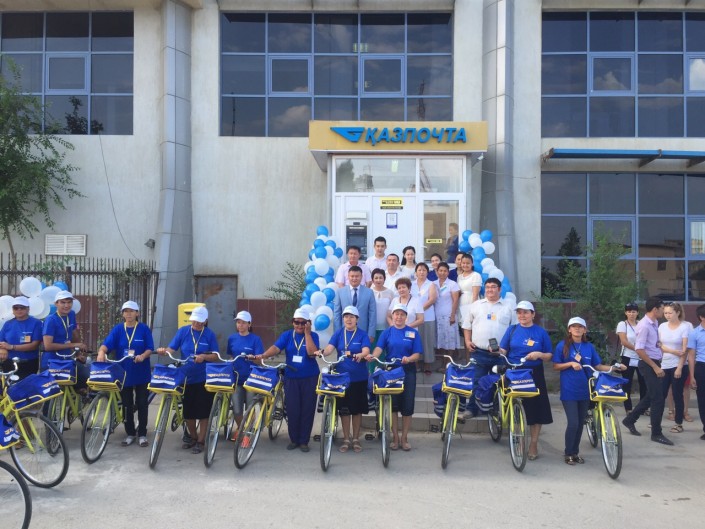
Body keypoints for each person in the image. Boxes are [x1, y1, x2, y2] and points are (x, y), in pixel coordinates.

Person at [553, 317, 620, 465]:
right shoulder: (562, 345)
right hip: (569, 390)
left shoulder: (589, 347)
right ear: (569, 329)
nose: (577, 329)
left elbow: (597, 366)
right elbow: (556, 365)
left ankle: (575, 453)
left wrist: (614, 368)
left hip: (585, 390)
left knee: (580, 424)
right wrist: (570, 363)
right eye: (574, 326)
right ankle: (568, 453)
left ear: (585, 330)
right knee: (573, 423)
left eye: (580, 326)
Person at [156, 306, 219, 454]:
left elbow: (216, 355)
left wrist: (204, 357)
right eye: (194, 320)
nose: (196, 323)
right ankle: (193, 437)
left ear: (205, 321)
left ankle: (201, 441)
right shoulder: (183, 331)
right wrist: (164, 351)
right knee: (188, 412)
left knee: (203, 411)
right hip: (186, 377)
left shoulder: (209, 334)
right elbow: (171, 349)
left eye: (199, 321)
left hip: (203, 377)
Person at [257, 309, 320, 452]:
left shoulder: (313, 336)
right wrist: (264, 355)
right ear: (292, 322)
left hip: (310, 377)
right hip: (291, 377)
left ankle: (304, 441)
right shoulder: (287, 335)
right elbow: (276, 348)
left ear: (308, 323)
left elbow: (312, 353)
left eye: (303, 323)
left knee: (307, 409)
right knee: (292, 409)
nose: (300, 325)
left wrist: (307, 334)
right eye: (297, 322)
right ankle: (294, 439)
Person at [499, 300, 553, 460]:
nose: (522, 315)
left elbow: (549, 355)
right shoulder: (512, 329)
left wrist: (539, 354)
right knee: (515, 407)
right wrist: (496, 350)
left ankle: (533, 443)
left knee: (537, 410)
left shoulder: (541, 332)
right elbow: (503, 349)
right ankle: (519, 438)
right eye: (519, 312)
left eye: (526, 312)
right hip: (514, 372)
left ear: (533, 314)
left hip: (534, 373)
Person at [97, 301, 154, 447]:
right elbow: (106, 344)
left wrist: (143, 356)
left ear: (137, 313)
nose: (128, 314)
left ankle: (142, 434)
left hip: (141, 373)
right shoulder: (118, 329)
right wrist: (101, 352)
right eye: (126, 311)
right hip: (124, 374)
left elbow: (149, 348)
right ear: (122, 314)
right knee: (127, 405)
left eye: (131, 311)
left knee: (142, 404)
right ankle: (130, 433)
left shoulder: (143, 329)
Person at [369, 302, 423, 451]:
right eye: (396, 314)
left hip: (408, 371)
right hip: (391, 371)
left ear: (406, 317)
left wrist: (409, 359)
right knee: (393, 405)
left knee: (407, 405)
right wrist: (373, 356)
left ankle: (404, 438)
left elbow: (417, 354)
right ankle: (395, 437)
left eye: (402, 314)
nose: (399, 317)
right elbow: (379, 348)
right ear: (392, 316)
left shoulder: (413, 333)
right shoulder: (387, 332)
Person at [461, 277, 517, 416]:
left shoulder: (508, 308)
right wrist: (467, 341)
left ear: (499, 289)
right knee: (476, 381)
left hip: (500, 354)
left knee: (498, 384)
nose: (490, 290)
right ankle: (472, 409)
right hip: (479, 352)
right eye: (487, 287)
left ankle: (496, 411)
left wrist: (507, 350)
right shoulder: (476, 305)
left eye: (493, 287)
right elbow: (467, 325)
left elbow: (515, 330)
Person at [319, 306, 371, 453]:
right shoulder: (338, 333)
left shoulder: (362, 334)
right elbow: (329, 349)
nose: (349, 319)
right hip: (341, 378)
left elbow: (366, 350)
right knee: (344, 410)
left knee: (357, 410)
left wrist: (361, 354)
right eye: (346, 316)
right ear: (343, 319)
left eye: (352, 316)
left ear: (357, 319)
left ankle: (356, 439)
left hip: (359, 377)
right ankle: (346, 439)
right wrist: (321, 352)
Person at [621, 297, 673, 445]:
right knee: (658, 398)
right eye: (662, 309)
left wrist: (658, 346)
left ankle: (630, 420)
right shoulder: (644, 325)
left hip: (654, 361)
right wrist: (655, 367)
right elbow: (639, 349)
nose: (663, 312)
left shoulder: (654, 322)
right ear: (655, 309)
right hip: (648, 363)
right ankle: (656, 433)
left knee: (651, 395)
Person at [226, 311, 264, 430]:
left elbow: (260, 360)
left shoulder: (255, 339)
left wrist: (254, 358)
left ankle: (248, 432)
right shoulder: (232, 338)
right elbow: (231, 356)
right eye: (238, 322)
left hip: (250, 379)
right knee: (237, 410)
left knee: (249, 409)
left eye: (243, 323)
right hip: (236, 378)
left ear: (249, 324)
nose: (240, 325)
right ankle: (241, 430)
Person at [42, 290, 89, 388]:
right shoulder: (51, 320)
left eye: (69, 302)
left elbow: (74, 334)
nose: (66, 305)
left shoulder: (71, 314)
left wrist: (78, 354)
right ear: (56, 304)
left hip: (67, 360)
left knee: (87, 376)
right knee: (53, 393)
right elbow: (48, 346)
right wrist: (74, 345)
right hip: (52, 362)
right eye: (63, 302)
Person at [659, 302, 692, 435]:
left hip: (679, 365)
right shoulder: (662, 326)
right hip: (665, 364)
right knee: (661, 393)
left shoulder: (685, 327)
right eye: (665, 313)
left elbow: (685, 350)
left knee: (678, 394)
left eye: (670, 313)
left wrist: (679, 368)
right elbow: (659, 344)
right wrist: (672, 351)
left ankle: (678, 423)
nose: (667, 315)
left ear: (677, 313)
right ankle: (655, 421)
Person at [0, 296, 43, 380]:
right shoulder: (8, 324)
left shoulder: (36, 323)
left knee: (27, 386)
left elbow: (34, 345)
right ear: (12, 310)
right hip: (9, 362)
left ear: (28, 309)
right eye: (16, 308)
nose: (19, 310)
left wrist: (12, 347)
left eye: (22, 308)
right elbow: (1, 340)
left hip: (28, 362)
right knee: (9, 386)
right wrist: (2, 349)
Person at [333, 266, 376, 343]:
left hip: (363, 331)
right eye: (352, 276)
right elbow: (337, 314)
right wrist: (337, 333)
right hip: (344, 331)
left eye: (357, 276)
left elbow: (372, 314)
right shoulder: (340, 292)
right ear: (348, 277)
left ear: (361, 277)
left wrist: (371, 334)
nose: (354, 278)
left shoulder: (369, 292)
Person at [616, 302, 646, 413]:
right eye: (629, 312)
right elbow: (624, 341)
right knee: (627, 383)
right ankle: (628, 408)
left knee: (644, 383)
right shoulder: (622, 324)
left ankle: (643, 408)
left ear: (637, 313)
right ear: (625, 313)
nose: (631, 314)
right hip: (628, 357)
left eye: (633, 312)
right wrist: (638, 349)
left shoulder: (641, 324)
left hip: (641, 357)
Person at [433, 262, 460, 370]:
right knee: (441, 340)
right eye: (440, 270)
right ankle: (443, 362)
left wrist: (452, 315)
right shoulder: (433, 284)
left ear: (448, 272)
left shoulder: (452, 284)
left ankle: (448, 364)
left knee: (450, 340)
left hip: (449, 315)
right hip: (437, 316)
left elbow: (455, 300)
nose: (442, 273)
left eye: (445, 271)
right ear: (437, 272)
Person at [412, 262, 438, 375]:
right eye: (419, 270)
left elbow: (432, 299)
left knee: (427, 341)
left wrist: (419, 310)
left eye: (424, 270)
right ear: (416, 272)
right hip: (414, 318)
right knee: (415, 340)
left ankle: (427, 364)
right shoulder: (411, 284)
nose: (421, 272)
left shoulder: (431, 284)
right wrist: (415, 312)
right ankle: (416, 363)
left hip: (427, 317)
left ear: (427, 272)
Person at [687, 304, 705, 441]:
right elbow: (691, 356)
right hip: (701, 367)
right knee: (702, 399)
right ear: (701, 317)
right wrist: (692, 376)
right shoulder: (694, 333)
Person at [456, 253, 482, 325]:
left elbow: (475, 294)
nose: (465, 265)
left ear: (472, 264)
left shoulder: (475, 275)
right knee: (463, 325)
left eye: (468, 263)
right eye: (463, 263)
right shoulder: (459, 277)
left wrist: (473, 308)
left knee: (471, 324)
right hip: (461, 303)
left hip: (471, 302)